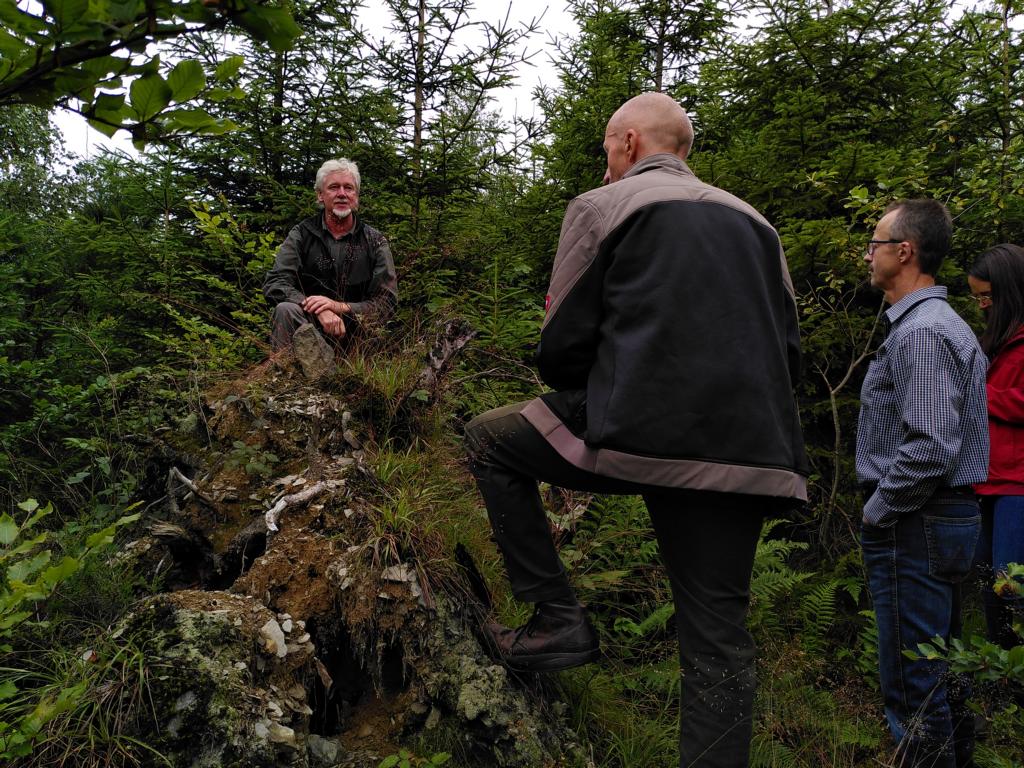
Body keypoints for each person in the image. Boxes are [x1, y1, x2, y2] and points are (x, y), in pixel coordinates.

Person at [464, 92, 808, 768]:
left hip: (634, 435)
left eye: (605, 154)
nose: (605, 167)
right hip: (748, 453)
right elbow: (788, 350)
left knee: (488, 440)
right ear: (682, 148)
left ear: (626, 144)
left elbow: (559, 348)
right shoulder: (758, 225)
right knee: (717, 637)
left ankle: (557, 620)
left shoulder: (604, 207)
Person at [857, 199, 988, 767]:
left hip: (918, 520)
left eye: (876, 242)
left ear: (904, 252)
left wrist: (878, 510)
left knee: (917, 685)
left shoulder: (923, 331)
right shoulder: (934, 326)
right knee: (941, 671)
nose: (869, 253)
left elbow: (930, 445)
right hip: (939, 517)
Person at [263, 158, 397, 351]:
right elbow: (275, 283)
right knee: (285, 310)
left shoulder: (375, 241)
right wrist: (319, 309)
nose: (342, 194)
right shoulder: (301, 234)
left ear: (356, 196)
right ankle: (286, 378)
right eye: (334, 187)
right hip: (310, 327)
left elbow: (387, 304)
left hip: (359, 332)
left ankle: (361, 378)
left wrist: (338, 307)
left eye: (348, 188)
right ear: (320, 195)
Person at [968, 244, 1024, 650]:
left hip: (1018, 486)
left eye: (987, 295)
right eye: (976, 297)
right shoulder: (998, 340)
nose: (982, 305)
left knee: (1012, 587)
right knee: (992, 586)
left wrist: (979, 395)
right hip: (988, 482)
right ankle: (1004, 687)